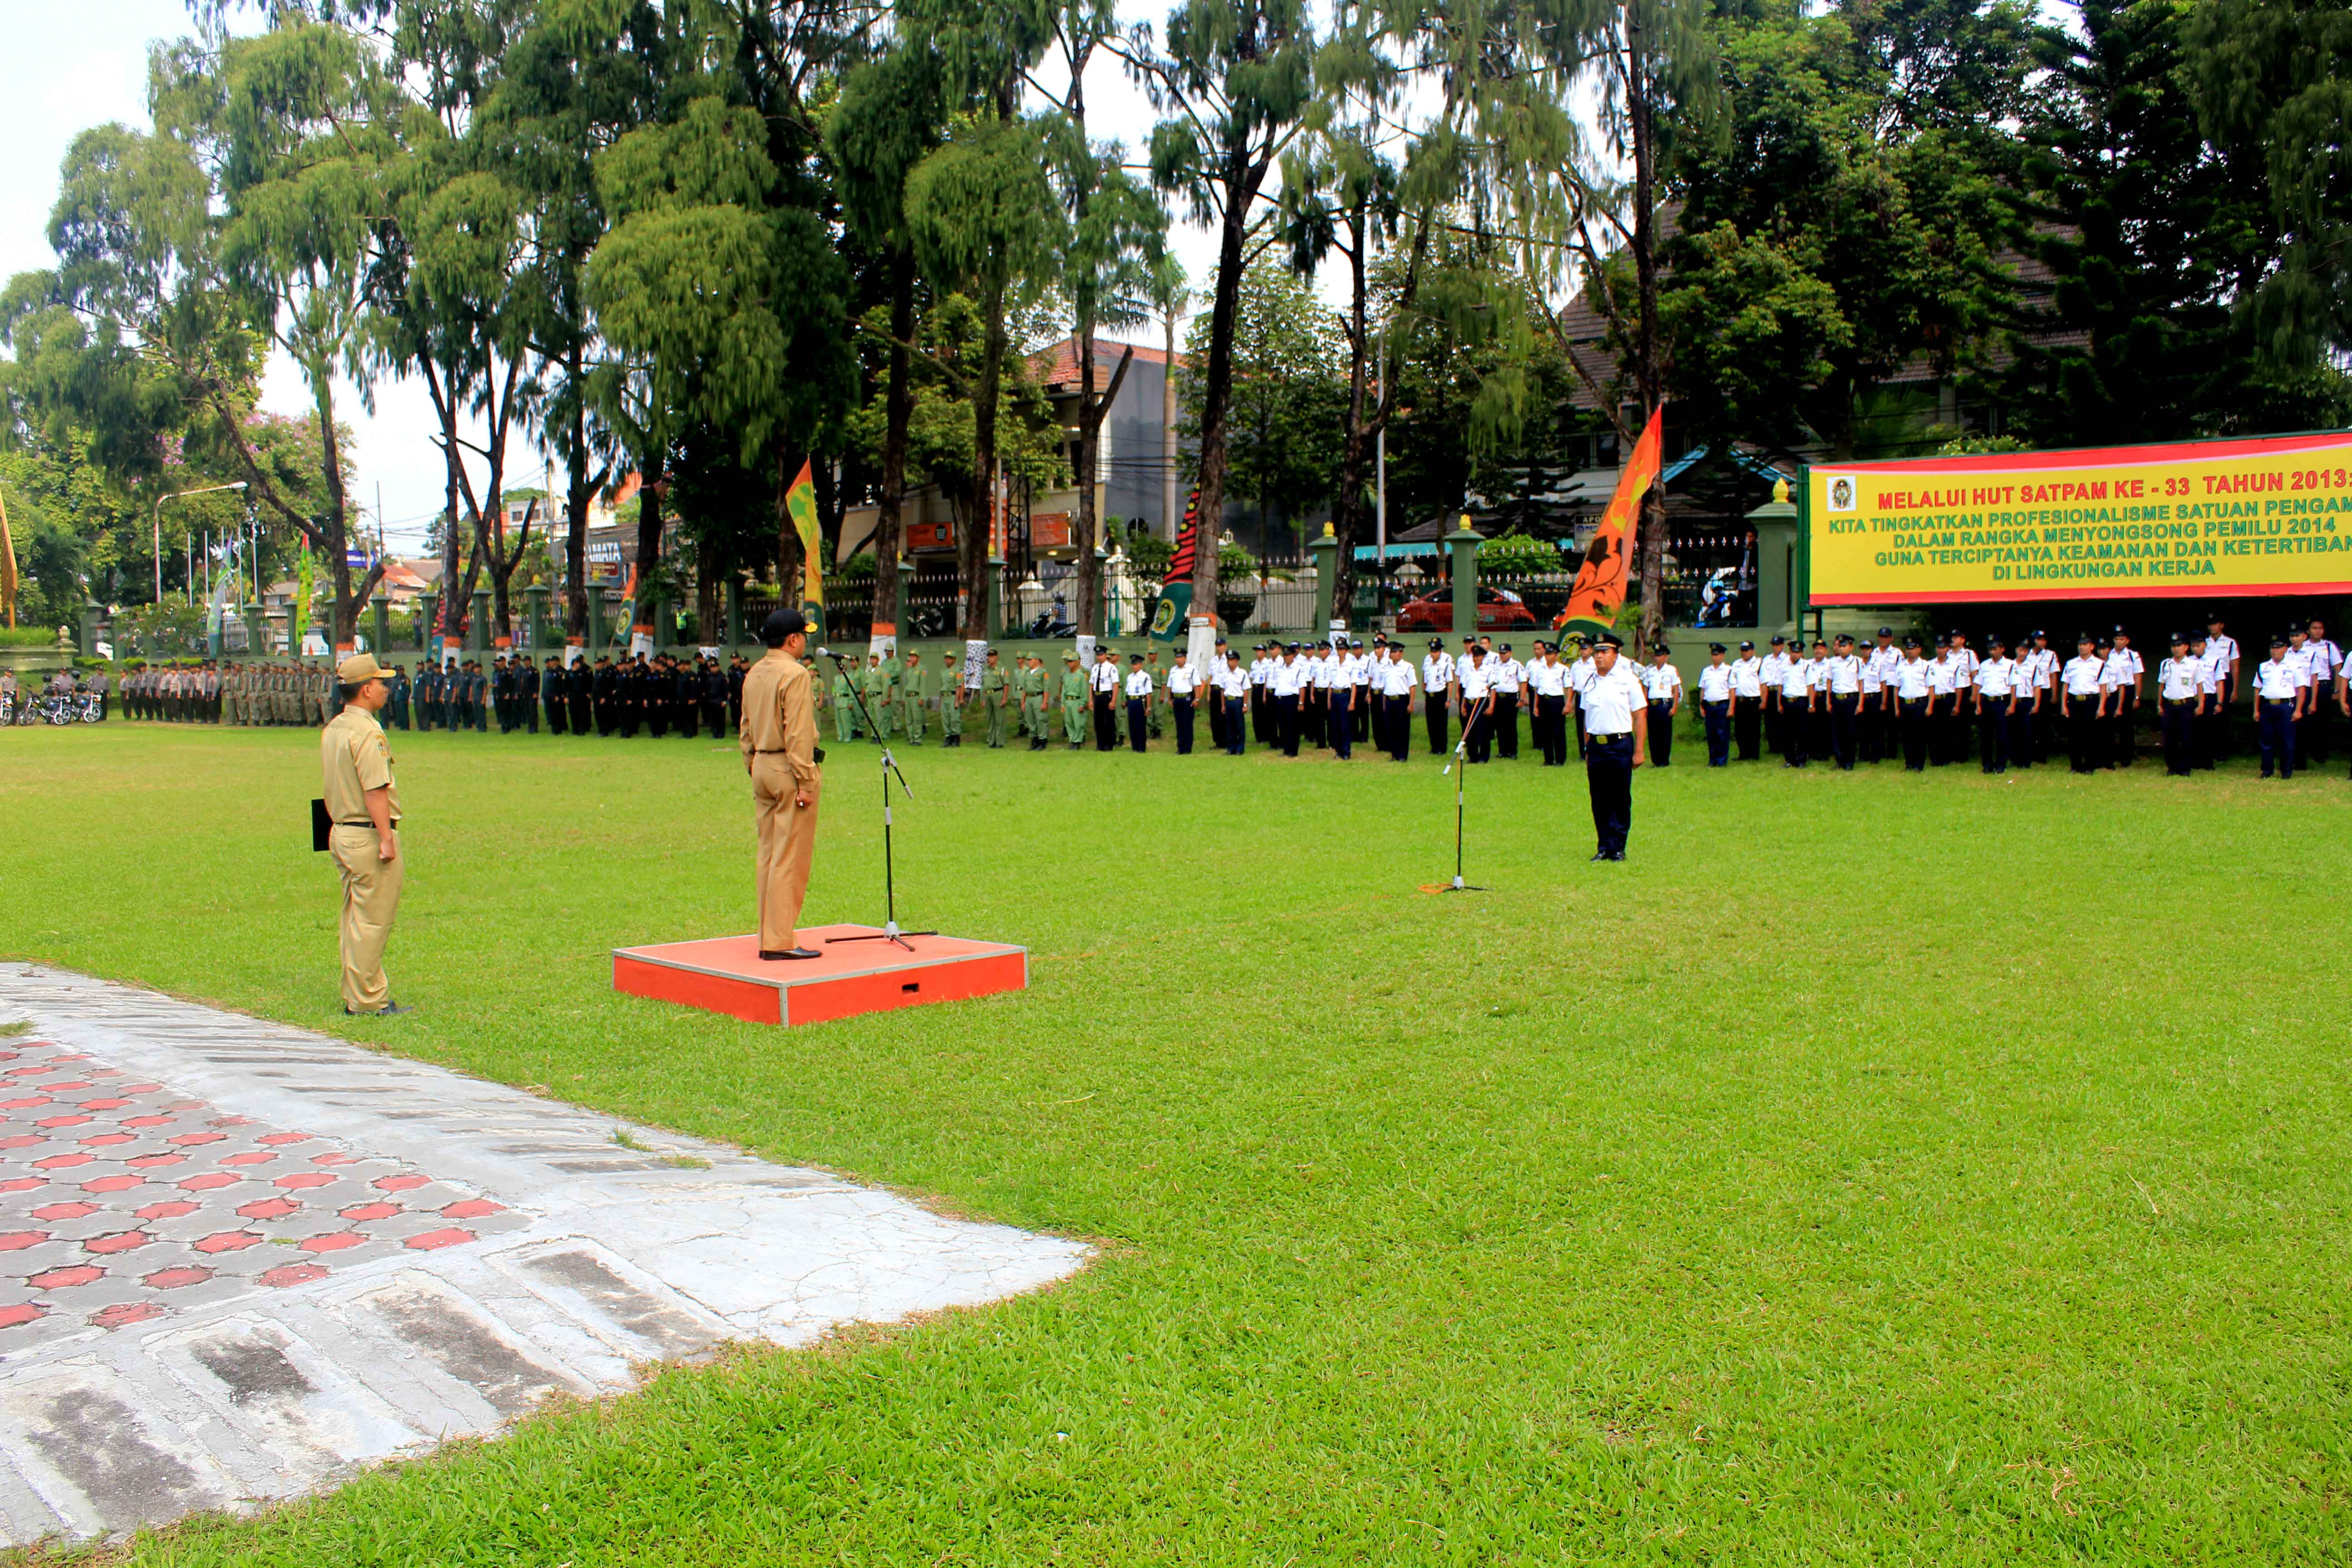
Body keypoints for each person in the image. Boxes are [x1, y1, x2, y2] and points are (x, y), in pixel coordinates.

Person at [319, 654, 408, 1018]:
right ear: (367, 688)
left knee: (354, 919)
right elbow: (375, 790)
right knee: (372, 921)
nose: (387, 689)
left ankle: (357, 993)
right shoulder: (368, 732)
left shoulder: (336, 727)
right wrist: (386, 838)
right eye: (381, 683)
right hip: (367, 833)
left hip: (341, 830)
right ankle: (369, 1000)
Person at [739, 609, 824, 960]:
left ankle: (769, 934)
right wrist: (806, 780)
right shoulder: (796, 674)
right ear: (793, 639)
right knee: (790, 857)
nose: (805, 641)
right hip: (788, 769)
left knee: (769, 853)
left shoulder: (755, 672)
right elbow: (799, 732)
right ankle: (780, 941)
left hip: (761, 763)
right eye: (803, 635)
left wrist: (752, 762)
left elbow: (745, 726)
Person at [1579, 632, 1649, 862]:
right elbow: (1586, 719)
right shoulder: (1589, 681)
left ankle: (1618, 846)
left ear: (1616, 655)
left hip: (1619, 744)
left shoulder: (1627, 680)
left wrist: (1639, 750)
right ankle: (1604, 845)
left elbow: (1640, 716)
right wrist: (1587, 749)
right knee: (1599, 798)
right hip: (1597, 747)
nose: (1599, 656)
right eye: (1597, 652)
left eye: (1604, 652)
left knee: (1619, 797)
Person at [2252, 633, 2304, 779]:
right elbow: (2257, 689)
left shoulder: (2294, 666)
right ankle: (2267, 770)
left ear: (2286, 649)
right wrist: (2256, 710)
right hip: (2268, 706)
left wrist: (2299, 710)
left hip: (2285, 706)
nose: (2275, 650)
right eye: (2272, 648)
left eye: (2278, 648)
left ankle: (2286, 771)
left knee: (2286, 740)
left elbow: (2301, 689)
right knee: (2266, 740)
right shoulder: (2263, 667)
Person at [2157, 633, 2204, 777]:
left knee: (2186, 737)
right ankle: (2172, 767)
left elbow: (2200, 686)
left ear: (2186, 647)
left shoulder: (2194, 665)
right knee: (2169, 738)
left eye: (2179, 646)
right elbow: (2161, 685)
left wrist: (2201, 705)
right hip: (2170, 705)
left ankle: (2185, 768)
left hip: (2186, 705)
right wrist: (2159, 705)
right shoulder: (2166, 664)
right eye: (2174, 646)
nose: (2176, 649)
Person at [2061, 634, 2106, 773]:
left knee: (2090, 736)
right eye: (2080, 645)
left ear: (2092, 647)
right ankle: (2075, 765)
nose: (2082, 647)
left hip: (2091, 702)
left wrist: (2102, 707)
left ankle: (2090, 766)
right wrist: (2064, 705)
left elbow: (2103, 687)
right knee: (2074, 736)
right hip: (2075, 702)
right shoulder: (2071, 664)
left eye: (2085, 644)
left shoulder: (2099, 664)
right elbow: (2066, 686)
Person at [1974, 633, 2016, 774]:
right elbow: (1979, 686)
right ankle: (1987, 765)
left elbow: (2014, 686)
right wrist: (1979, 705)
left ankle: (2000, 765)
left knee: (2002, 736)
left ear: (2002, 649)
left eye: (1996, 649)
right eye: (1991, 649)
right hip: (1987, 702)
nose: (1993, 652)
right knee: (1986, 736)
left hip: (2002, 702)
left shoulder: (2010, 665)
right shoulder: (1984, 665)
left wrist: (2012, 705)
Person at [2101, 627, 2143, 767]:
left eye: (2122, 639)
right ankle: (2110, 756)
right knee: (2109, 726)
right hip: (2110, 691)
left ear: (2127, 641)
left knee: (2126, 726)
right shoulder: (2109, 655)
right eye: (2117, 639)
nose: (2119, 642)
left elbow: (2138, 677)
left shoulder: (2133, 656)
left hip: (2129, 690)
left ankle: (2127, 757)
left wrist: (2137, 697)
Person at [1823, 635, 1863, 769]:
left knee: (1850, 732)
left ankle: (1849, 762)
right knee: (1837, 732)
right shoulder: (1833, 662)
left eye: (1844, 646)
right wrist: (1828, 702)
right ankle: (1839, 760)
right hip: (1836, 699)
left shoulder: (1858, 662)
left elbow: (1861, 684)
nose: (1842, 649)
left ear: (1851, 647)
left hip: (1851, 699)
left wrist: (1861, 703)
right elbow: (1829, 683)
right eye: (1840, 646)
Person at [1640, 645, 1681, 767]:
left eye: (1660, 655)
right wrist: (1645, 706)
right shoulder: (1651, 671)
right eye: (1656, 655)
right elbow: (1646, 689)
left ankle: (1664, 760)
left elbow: (1676, 690)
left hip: (1665, 705)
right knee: (1653, 734)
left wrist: (1674, 707)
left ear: (1666, 657)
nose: (1657, 658)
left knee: (1665, 733)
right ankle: (1656, 760)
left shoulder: (1671, 670)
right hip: (1652, 705)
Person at [1894, 637, 1932, 770]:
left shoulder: (1926, 666)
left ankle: (1919, 764)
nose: (1910, 651)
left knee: (1919, 736)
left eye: (1913, 649)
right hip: (1905, 704)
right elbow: (1896, 688)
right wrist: (1896, 707)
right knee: (1906, 736)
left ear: (1919, 650)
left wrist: (1930, 706)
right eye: (1908, 649)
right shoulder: (1900, 667)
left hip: (1919, 704)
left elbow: (1931, 688)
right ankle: (1909, 763)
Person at [1775, 639, 1813, 767]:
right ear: (1789, 652)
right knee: (1788, 733)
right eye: (1793, 652)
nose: (1795, 654)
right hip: (1788, 701)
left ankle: (1801, 760)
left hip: (1801, 701)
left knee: (1802, 732)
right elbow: (1780, 686)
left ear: (1802, 653)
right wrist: (1779, 703)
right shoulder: (1783, 666)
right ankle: (1789, 760)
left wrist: (1811, 704)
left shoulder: (1807, 666)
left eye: (1798, 652)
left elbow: (1810, 687)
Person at [1696, 643, 1733, 766]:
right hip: (1709, 706)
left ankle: (1722, 760)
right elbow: (1703, 689)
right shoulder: (1706, 671)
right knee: (1711, 734)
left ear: (1723, 655)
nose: (1715, 657)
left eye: (1717, 655)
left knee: (1722, 734)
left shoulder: (1729, 670)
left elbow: (1732, 690)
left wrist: (1731, 708)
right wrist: (1701, 706)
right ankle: (1713, 760)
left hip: (1722, 705)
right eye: (1713, 655)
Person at [1455, 640, 1493, 764]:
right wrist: (1463, 705)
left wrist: (1491, 706)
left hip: (1482, 702)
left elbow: (1493, 690)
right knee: (1470, 731)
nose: (1476, 658)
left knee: (1483, 731)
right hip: (1470, 702)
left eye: (1478, 656)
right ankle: (1473, 756)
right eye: (1474, 656)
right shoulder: (1468, 670)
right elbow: (1465, 689)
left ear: (1483, 657)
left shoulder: (1489, 670)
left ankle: (1484, 756)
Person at [1729, 640, 1763, 760]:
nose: (1744, 653)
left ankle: (1754, 754)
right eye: (1742, 651)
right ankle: (1743, 753)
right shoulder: (1736, 664)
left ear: (1753, 651)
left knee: (1753, 729)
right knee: (1740, 729)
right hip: (1740, 701)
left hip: (1753, 700)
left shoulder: (1759, 663)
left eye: (1747, 651)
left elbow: (1763, 683)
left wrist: (1763, 701)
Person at [1421, 638, 1452, 755]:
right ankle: (1434, 747)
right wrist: (1424, 687)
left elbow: (1450, 682)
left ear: (1440, 652)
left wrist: (1448, 699)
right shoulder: (1428, 664)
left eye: (1435, 652)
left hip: (1441, 694)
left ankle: (1442, 747)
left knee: (1441, 723)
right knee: (1431, 722)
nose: (1433, 654)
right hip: (1430, 695)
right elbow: (1425, 678)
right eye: (1432, 651)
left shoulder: (1445, 665)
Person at [1166, 649, 1200, 755]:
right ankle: (1180, 748)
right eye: (1177, 657)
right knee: (1179, 724)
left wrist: (1197, 699)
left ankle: (1187, 748)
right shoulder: (1173, 670)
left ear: (1185, 658)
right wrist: (1170, 699)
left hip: (1187, 699)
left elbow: (1197, 685)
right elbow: (1170, 686)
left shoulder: (1192, 669)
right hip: (1177, 699)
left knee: (1187, 724)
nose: (1179, 659)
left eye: (1181, 657)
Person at [1219, 647, 1249, 755]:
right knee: (1230, 726)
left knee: (1239, 725)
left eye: (1232, 660)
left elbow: (1246, 690)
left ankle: (1240, 748)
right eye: (1228, 660)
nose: (1229, 662)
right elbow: (1223, 690)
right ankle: (1231, 748)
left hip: (1238, 701)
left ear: (1237, 661)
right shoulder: (1225, 674)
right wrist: (1223, 705)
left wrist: (1245, 705)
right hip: (1228, 701)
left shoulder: (1242, 673)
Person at [1089, 647, 1121, 750]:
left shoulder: (1111, 668)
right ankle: (1100, 744)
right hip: (1097, 696)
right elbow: (1092, 685)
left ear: (1106, 655)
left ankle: (1109, 744)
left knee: (1108, 721)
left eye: (1101, 654)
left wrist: (1113, 701)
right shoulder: (1095, 668)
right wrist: (1091, 700)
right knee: (1098, 722)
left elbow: (1116, 684)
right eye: (1098, 655)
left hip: (1107, 696)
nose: (1099, 657)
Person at [1123, 653, 1153, 752]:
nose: (1134, 666)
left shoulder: (1145, 677)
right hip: (1131, 701)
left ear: (1141, 665)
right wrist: (1126, 702)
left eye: (1136, 664)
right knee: (1132, 725)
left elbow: (1148, 693)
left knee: (1140, 725)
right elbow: (1128, 692)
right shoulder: (1130, 677)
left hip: (1141, 701)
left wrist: (1148, 707)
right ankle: (1134, 747)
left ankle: (1141, 747)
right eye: (1133, 664)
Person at [1058, 652, 1088, 749]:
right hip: (1068, 701)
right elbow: (1064, 691)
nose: (1069, 664)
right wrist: (1063, 704)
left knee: (1078, 723)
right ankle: (1073, 739)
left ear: (1076, 662)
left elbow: (1084, 691)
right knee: (1069, 722)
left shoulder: (1081, 676)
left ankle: (1078, 741)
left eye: (1071, 662)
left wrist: (1082, 704)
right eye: (1068, 662)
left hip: (1077, 701)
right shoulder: (1066, 676)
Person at [938, 651, 966, 747]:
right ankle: (948, 738)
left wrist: (958, 700)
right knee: (945, 718)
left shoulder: (958, 670)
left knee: (954, 718)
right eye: (946, 658)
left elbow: (960, 685)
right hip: (944, 696)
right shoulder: (943, 672)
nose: (948, 660)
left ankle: (956, 738)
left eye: (950, 658)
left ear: (954, 659)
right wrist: (940, 701)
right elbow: (941, 687)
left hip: (953, 696)